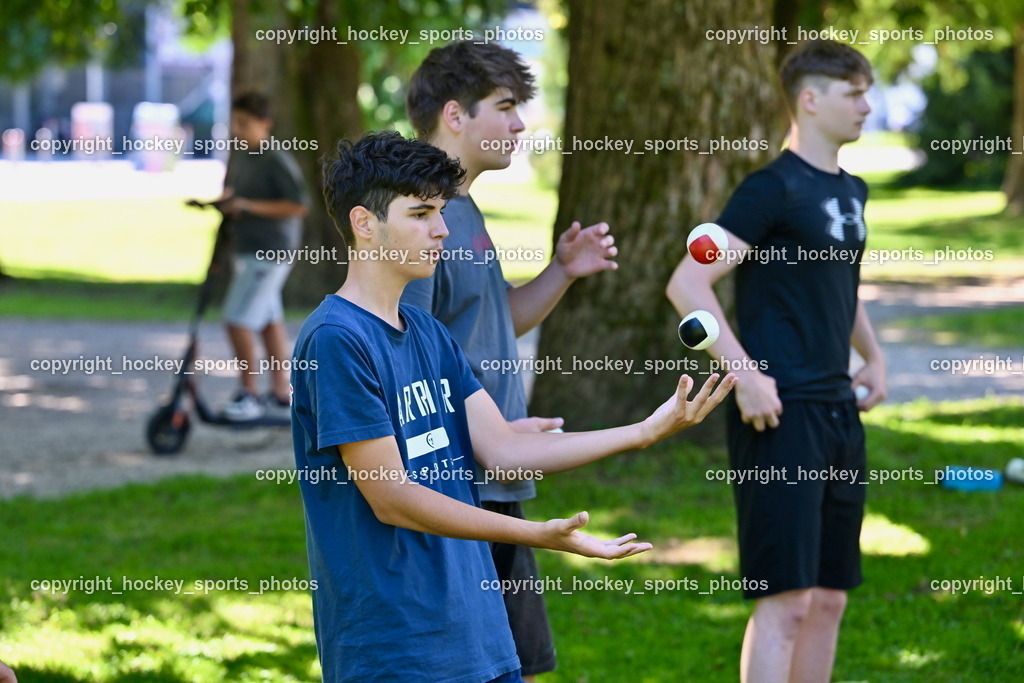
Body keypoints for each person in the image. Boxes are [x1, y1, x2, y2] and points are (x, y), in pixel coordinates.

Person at [291, 130, 736, 682]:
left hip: (478, 635)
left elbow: (503, 448)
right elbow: (392, 498)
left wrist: (644, 430)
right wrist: (538, 535)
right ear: (365, 223)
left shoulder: (428, 331)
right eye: (421, 213)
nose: (442, 230)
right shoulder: (337, 340)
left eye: (442, 211)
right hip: (396, 648)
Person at [667, 40, 887, 683]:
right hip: (779, 414)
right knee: (785, 602)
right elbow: (687, 285)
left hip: (839, 410)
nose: (867, 106)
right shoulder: (771, 189)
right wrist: (744, 375)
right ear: (811, 100)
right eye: (854, 93)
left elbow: (840, 286)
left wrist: (871, 357)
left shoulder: (853, 190)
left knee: (828, 598)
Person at [401, 40, 618, 680]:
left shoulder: (461, 207)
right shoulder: (422, 212)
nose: (521, 124)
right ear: (455, 115)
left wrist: (562, 272)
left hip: (495, 473)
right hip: (456, 485)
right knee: (472, 667)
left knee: (510, 666)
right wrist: (480, 434)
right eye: (506, 106)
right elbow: (403, 352)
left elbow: (495, 321)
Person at [199, 91, 309, 421]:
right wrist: (221, 202)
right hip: (247, 249)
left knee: (237, 319)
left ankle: (249, 394)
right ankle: (281, 394)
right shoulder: (243, 154)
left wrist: (248, 207)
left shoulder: (276, 159)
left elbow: (298, 205)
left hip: (271, 252)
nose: (237, 129)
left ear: (265, 124)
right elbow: (238, 193)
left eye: (244, 123)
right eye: (234, 122)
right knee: (268, 322)